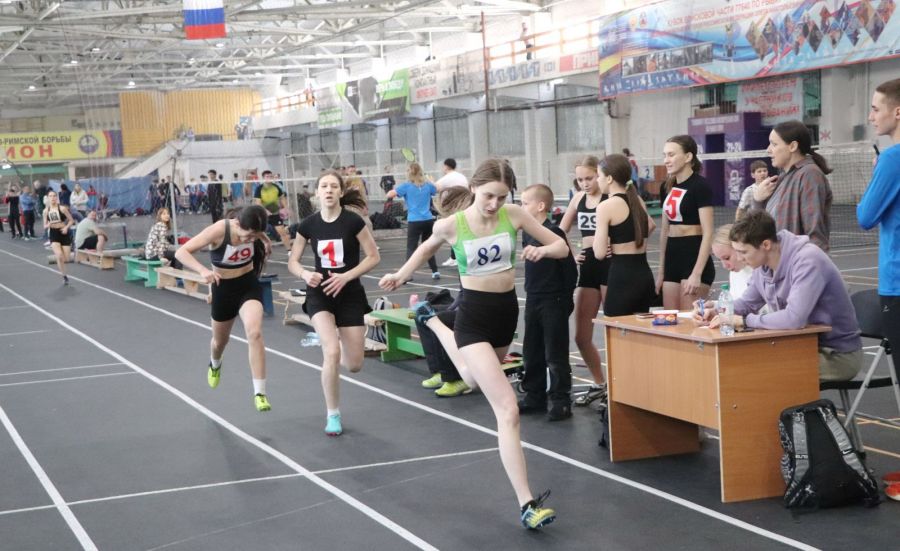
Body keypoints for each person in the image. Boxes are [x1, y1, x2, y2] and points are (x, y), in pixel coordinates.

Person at [379, 158, 566, 530]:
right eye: (488, 195)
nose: (494, 203)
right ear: (475, 189)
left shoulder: (514, 215)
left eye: (501, 196)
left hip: (505, 315)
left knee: (474, 380)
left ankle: (430, 321)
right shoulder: (453, 224)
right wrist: (400, 275)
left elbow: (560, 245)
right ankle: (527, 503)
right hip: (473, 316)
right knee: (508, 410)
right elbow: (425, 249)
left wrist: (541, 251)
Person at [695, 211, 862, 382]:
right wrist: (717, 311)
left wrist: (744, 321)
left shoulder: (808, 260)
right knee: (738, 362)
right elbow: (747, 303)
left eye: (743, 252)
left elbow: (793, 319)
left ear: (766, 245)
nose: (739, 258)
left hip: (836, 355)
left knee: (754, 371)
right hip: (798, 346)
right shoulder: (762, 264)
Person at [289, 169, 380, 436]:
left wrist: (346, 277)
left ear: (341, 192)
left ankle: (335, 342)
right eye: (324, 186)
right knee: (331, 354)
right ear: (317, 193)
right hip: (319, 293)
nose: (328, 190)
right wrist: (306, 274)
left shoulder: (354, 222)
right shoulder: (308, 225)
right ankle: (333, 415)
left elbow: (373, 256)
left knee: (354, 365)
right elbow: (293, 261)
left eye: (333, 186)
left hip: (349, 293)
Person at [175, 205, 274, 412]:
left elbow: (257, 229)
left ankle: (260, 393)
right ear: (238, 224)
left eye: (254, 237)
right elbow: (181, 252)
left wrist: (264, 239)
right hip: (223, 290)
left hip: (248, 285)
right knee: (220, 342)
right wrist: (203, 271)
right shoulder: (219, 230)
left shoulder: (253, 229)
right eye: (248, 236)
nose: (250, 240)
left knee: (254, 333)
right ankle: (215, 363)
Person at [517, 183, 577, 421]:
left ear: (540, 206)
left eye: (525, 203)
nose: (521, 208)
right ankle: (534, 395)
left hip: (554, 299)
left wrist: (565, 299)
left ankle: (561, 400)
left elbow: (569, 269)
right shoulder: (527, 232)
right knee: (531, 349)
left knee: (555, 351)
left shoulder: (554, 233)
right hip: (533, 297)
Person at [558, 155, 609, 407]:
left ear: (599, 174)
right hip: (588, 265)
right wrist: (571, 252)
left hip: (611, 265)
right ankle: (600, 383)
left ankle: (623, 387)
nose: (585, 184)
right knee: (581, 335)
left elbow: (647, 225)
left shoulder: (612, 196)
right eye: (580, 180)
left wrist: (619, 246)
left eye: (589, 178)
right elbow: (559, 230)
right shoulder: (578, 199)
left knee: (614, 330)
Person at [858, 77, 900, 365]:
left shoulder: (891, 159)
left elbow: (865, 216)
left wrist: (877, 178)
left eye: (875, 109)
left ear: (897, 112)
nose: (871, 117)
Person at [751, 120, 832, 251]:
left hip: (796, 267)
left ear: (793, 146)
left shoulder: (810, 175)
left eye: (774, 144)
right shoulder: (783, 178)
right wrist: (758, 200)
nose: (768, 150)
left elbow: (815, 236)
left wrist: (807, 268)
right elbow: (759, 228)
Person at [592, 154, 656, 316]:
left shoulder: (605, 206)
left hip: (622, 276)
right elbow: (651, 224)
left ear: (609, 179)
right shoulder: (638, 200)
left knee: (616, 332)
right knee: (638, 334)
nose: (597, 180)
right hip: (643, 274)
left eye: (599, 176)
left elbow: (599, 253)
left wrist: (608, 244)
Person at [656, 135, 715, 311]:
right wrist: (661, 271)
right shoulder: (666, 187)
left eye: (671, 155)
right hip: (672, 257)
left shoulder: (700, 186)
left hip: (693, 255)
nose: (666, 160)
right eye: (664, 155)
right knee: (670, 321)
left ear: (688, 157)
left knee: (690, 322)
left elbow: (708, 232)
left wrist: (696, 273)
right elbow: (664, 230)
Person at [387, 163, 441, 280]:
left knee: (411, 247)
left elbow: (390, 194)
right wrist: (431, 180)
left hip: (414, 221)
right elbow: (437, 189)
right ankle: (435, 271)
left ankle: (407, 275)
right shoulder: (427, 185)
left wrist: (394, 189)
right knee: (429, 246)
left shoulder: (406, 186)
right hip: (428, 220)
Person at [711, 224, 753, 298]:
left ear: (738, 247)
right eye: (719, 259)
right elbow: (734, 303)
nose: (724, 266)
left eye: (727, 258)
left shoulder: (761, 272)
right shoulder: (734, 274)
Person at [43, 190, 75, 285]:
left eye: (54, 196)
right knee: (59, 255)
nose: (52, 198)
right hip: (54, 233)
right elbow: (44, 225)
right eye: (50, 196)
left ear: (57, 198)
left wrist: (66, 227)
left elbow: (71, 220)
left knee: (66, 259)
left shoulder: (62, 209)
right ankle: (64, 276)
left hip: (63, 233)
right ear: (48, 198)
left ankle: (59, 259)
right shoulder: (46, 211)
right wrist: (48, 225)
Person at [253, 170, 291, 248]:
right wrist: (265, 211)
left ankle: (289, 251)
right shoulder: (259, 188)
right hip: (263, 215)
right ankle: (257, 251)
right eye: (267, 177)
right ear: (263, 178)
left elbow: (282, 198)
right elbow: (258, 202)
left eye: (270, 176)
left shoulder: (276, 187)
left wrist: (286, 208)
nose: (269, 178)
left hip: (275, 213)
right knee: (258, 234)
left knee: (282, 233)